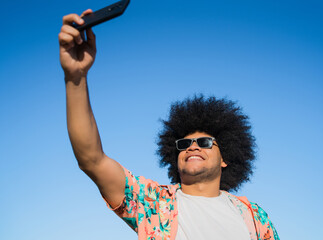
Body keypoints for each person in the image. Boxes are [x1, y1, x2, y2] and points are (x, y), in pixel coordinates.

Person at [59, 9, 279, 240]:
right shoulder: (153, 202)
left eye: (204, 142)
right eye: (184, 144)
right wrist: (75, 78)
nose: (192, 147)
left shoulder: (254, 217)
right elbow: (91, 159)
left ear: (225, 158)